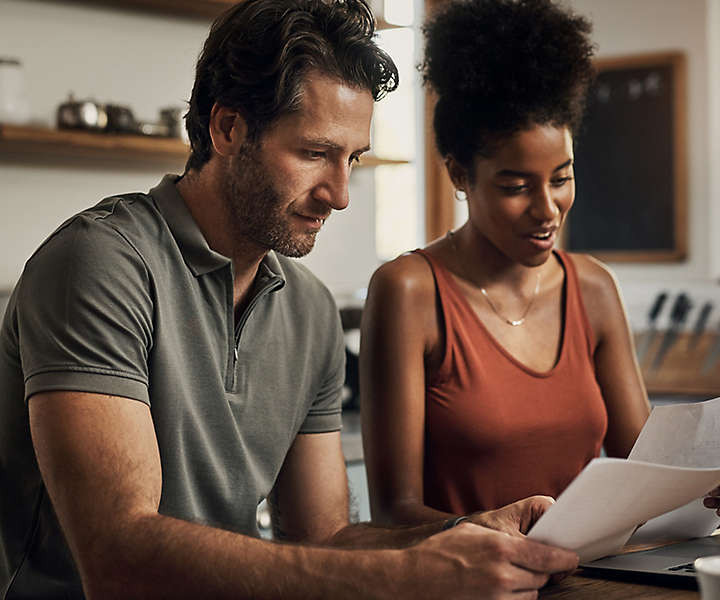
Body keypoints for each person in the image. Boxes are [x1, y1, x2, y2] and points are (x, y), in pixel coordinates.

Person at [0, 0, 579, 598]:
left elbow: (323, 537)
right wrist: (411, 577)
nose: (340, 194)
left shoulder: (308, 309)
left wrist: (467, 533)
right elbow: (117, 559)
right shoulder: (100, 264)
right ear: (228, 129)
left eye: (352, 159)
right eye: (314, 153)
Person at [360, 0, 657, 526]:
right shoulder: (409, 292)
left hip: (591, 580)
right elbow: (393, 514)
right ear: (458, 174)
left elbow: (649, 477)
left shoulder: (592, 288)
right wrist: (489, 531)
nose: (547, 210)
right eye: (516, 187)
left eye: (561, 179)